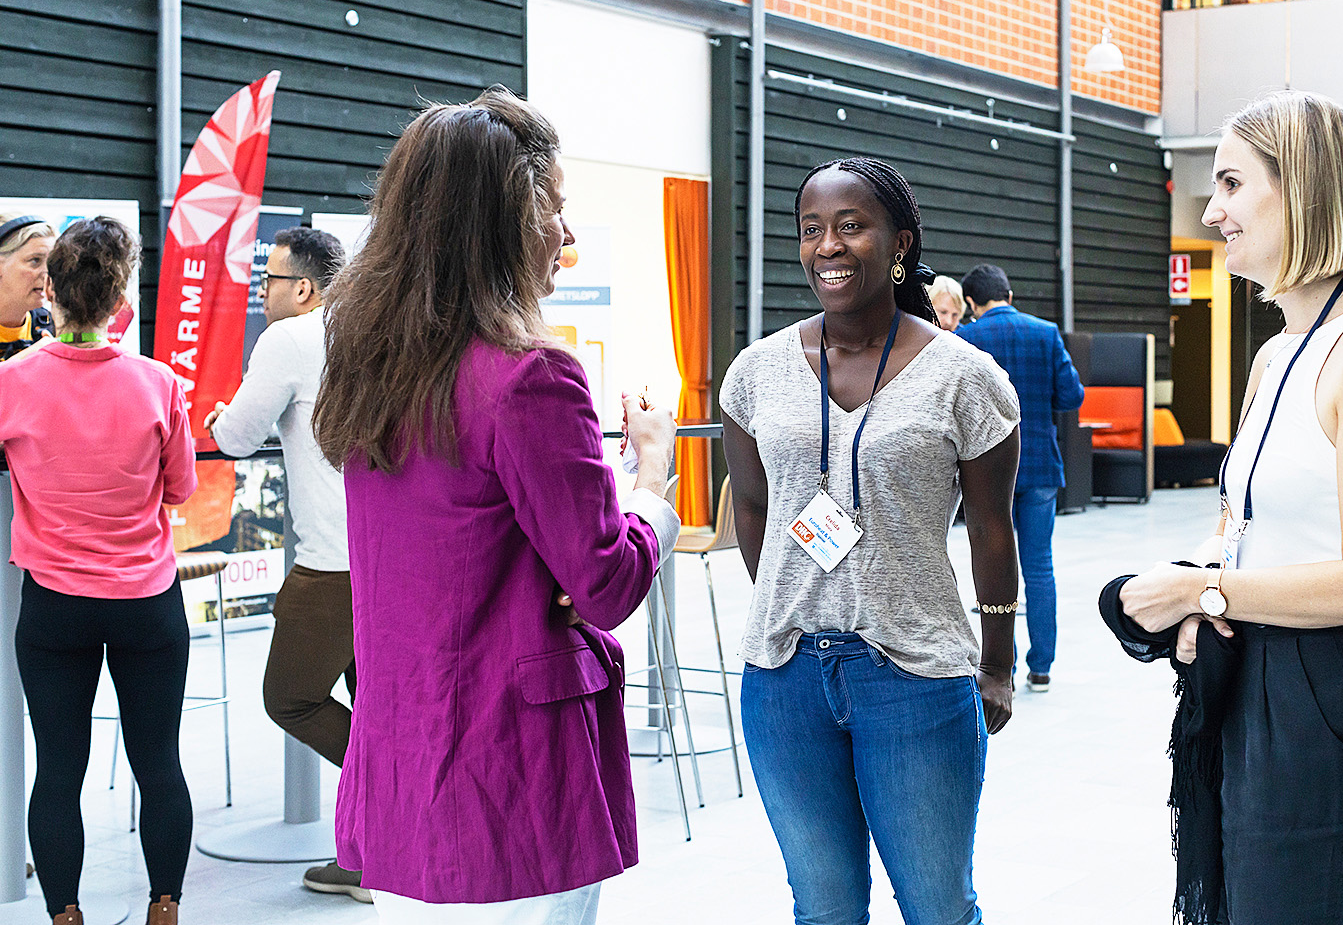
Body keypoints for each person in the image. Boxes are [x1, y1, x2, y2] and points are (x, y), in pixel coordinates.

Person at [311, 84, 679, 924]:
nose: (568, 233)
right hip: (510, 776)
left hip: (403, 763)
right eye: (554, 206)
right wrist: (651, 485)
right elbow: (607, 585)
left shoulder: (373, 371)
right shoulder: (531, 379)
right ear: (504, 222)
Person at [1114, 91, 1343, 924]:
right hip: (1252, 679)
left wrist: (1203, 593)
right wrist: (1198, 579)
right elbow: (1247, 524)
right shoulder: (1275, 354)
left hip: (1333, 703)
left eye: (1230, 183)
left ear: (1298, 188)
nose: (1210, 208)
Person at [721, 156, 1021, 925]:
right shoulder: (756, 372)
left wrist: (995, 662)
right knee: (821, 907)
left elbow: (992, 527)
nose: (828, 245)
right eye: (812, 229)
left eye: (851, 226)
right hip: (784, 679)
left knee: (936, 905)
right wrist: (787, 599)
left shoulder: (965, 376)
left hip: (914, 673)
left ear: (898, 244)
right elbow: (751, 507)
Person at [0, 217, 196, 925]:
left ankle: (65, 915)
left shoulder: (10, 381)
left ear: (50, 291)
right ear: (123, 301)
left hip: (54, 607)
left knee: (58, 769)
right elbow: (179, 489)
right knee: (159, 762)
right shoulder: (159, 383)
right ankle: (163, 907)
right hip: (147, 601)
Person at [202, 227, 363, 902]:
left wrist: (217, 419)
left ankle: (401, 794)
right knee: (378, 706)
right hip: (389, 556)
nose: (261, 292)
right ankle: (373, 855)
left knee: (290, 696)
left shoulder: (289, 337)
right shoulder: (370, 329)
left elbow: (237, 435)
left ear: (303, 287)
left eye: (267, 280)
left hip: (329, 563)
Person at [956, 263, 1083, 692]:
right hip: (1040, 468)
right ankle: (1042, 666)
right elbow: (1071, 396)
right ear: (1009, 294)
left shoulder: (967, 340)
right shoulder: (1046, 333)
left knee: (992, 565)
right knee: (1039, 567)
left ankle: (999, 667)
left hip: (987, 473)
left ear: (972, 303)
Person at [0, 214, 57, 361]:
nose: (47, 273)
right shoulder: (44, 344)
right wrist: (32, 354)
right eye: (35, 261)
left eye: (51, 263)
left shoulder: (51, 326)